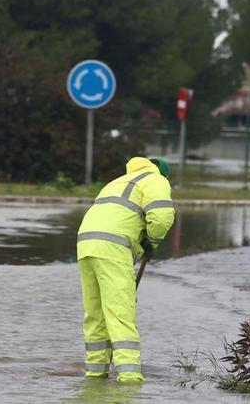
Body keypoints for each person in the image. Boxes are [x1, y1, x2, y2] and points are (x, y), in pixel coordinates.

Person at [76, 156, 175, 383]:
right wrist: (153, 241)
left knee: (96, 314)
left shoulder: (118, 181)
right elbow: (161, 216)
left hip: (86, 245)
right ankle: (129, 379)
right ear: (163, 174)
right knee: (121, 314)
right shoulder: (156, 180)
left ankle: (95, 373)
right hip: (113, 247)